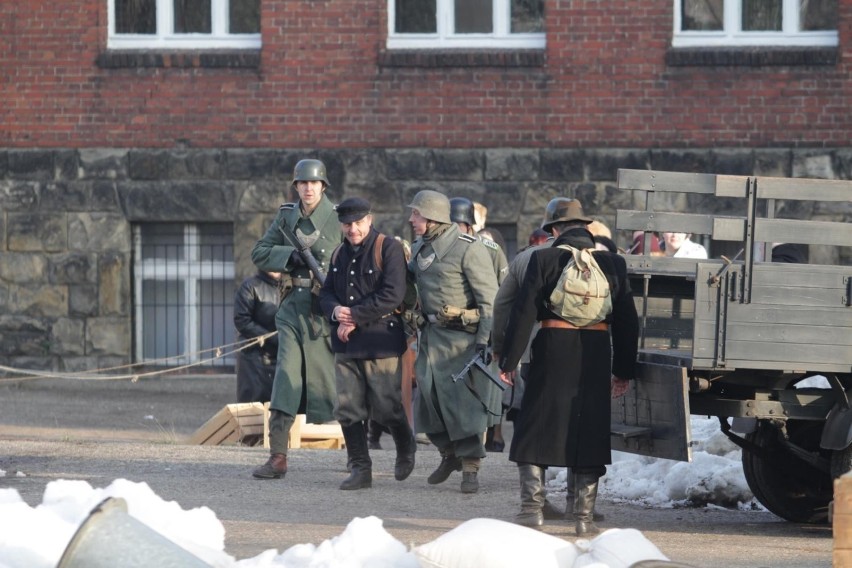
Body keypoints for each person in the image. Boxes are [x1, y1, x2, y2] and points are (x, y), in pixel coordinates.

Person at [498, 198, 639, 536]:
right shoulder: (614, 264)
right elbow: (627, 321)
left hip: (552, 349)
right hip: (595, 351)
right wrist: (623, 370)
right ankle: (583, 517)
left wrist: (509, 360)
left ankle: (532, 509)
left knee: (533, 426)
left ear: (555, 230)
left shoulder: (543, 259)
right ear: (587, 229)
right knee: (589, 428)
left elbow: (523, 313)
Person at [249, 158, 342, 480]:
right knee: (286, 378)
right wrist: (286, 256)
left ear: (323, 186)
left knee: (329, 384)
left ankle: (359, 456)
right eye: (302, 183)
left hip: (325, 310)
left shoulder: (339, 218)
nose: (307, 188)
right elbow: (259, 252)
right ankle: (278, 456)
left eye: (313, 183)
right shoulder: (286, 217)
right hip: (291, 309)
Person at [318, 197, 416, 490]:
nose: (353, 229)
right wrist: (336, 311)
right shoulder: (338, 255)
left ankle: (405, 443)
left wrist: (354, 317)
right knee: (348, 409)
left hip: (381, 340)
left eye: (358, 223)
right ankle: (360, 468)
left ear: (369, 220)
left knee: (385, 407)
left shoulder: (388, 248)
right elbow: (326, 293)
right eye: (347, 224)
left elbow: (393, 294)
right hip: (347, 345)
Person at [407, 190, 499, 494]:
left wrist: (484, 342)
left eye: (416, 214)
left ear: (432, 217)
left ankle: (470, 466)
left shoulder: (468, 249)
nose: (411, 220)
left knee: (465, 406)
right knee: (428, 402)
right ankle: (448, 454)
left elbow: (489, 301)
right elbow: (409, 284)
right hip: (430, 339)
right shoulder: (420, 247)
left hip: (463, 342)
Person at [234, 270, 281, 405]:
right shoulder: (250, 286)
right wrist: (272, 338)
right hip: (255, 358)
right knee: (253, 410)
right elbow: (242, 321)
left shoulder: (291, 286)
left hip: (283, 356)